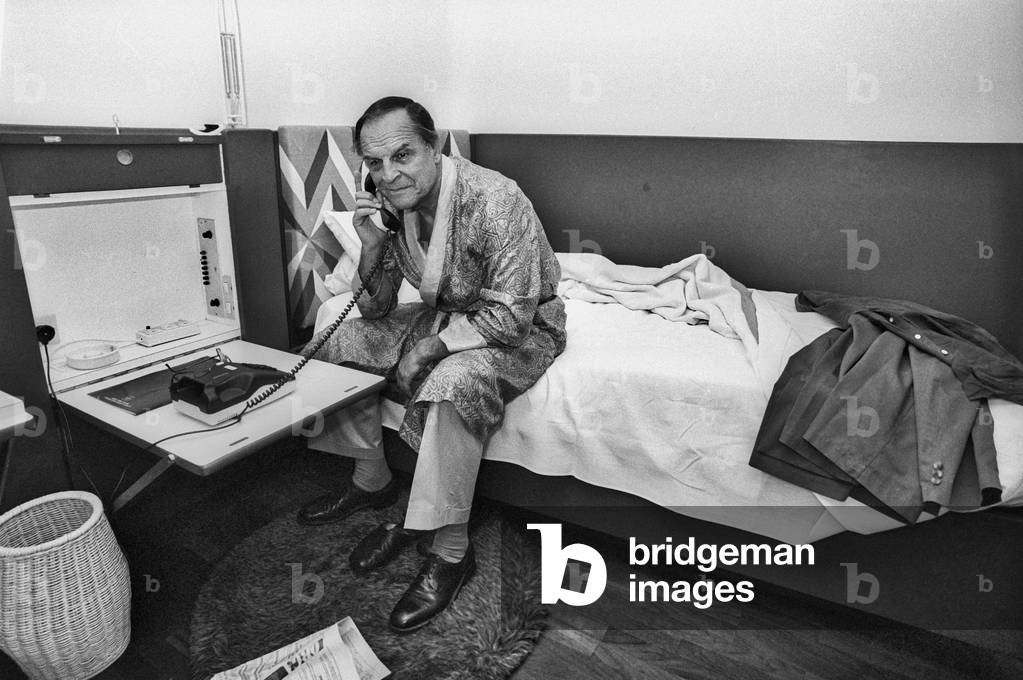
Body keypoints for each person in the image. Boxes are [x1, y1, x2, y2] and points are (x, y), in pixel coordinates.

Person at [298, 96, 566, 632]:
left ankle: (450, 550)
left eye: (403, 155)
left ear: (434, 146)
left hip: (519, 325)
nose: (389, 175)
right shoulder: (396, 206)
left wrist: (429, 348)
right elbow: (375, 308)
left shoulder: (495, 199)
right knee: (345, 340)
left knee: (453, 381)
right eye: (375, 164)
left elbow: (512, 316)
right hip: (447, 315)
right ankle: (371, 479)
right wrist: (371, 245)